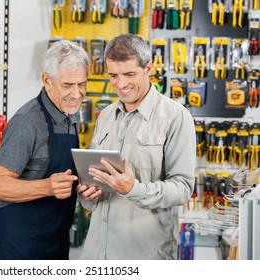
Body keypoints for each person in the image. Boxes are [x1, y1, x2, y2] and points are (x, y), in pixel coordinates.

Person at [76, 34, 196, 260]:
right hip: (96, 253)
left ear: (148, 68)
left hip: (144, 256)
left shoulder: (176, 117)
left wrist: (133, 189)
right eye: (113, 75)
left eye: (129, 74)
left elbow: (182, 189)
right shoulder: (106, 117)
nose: (121, 84)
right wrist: (86, 194)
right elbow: (93, 184)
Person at [0, 40, 89, 260]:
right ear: (47, 80)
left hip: (55, 241)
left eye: (81, 84)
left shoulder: (69, 115)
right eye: (67, 85)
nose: (76, 93)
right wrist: (47, 187)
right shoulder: (27, 122)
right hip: (19, 245)